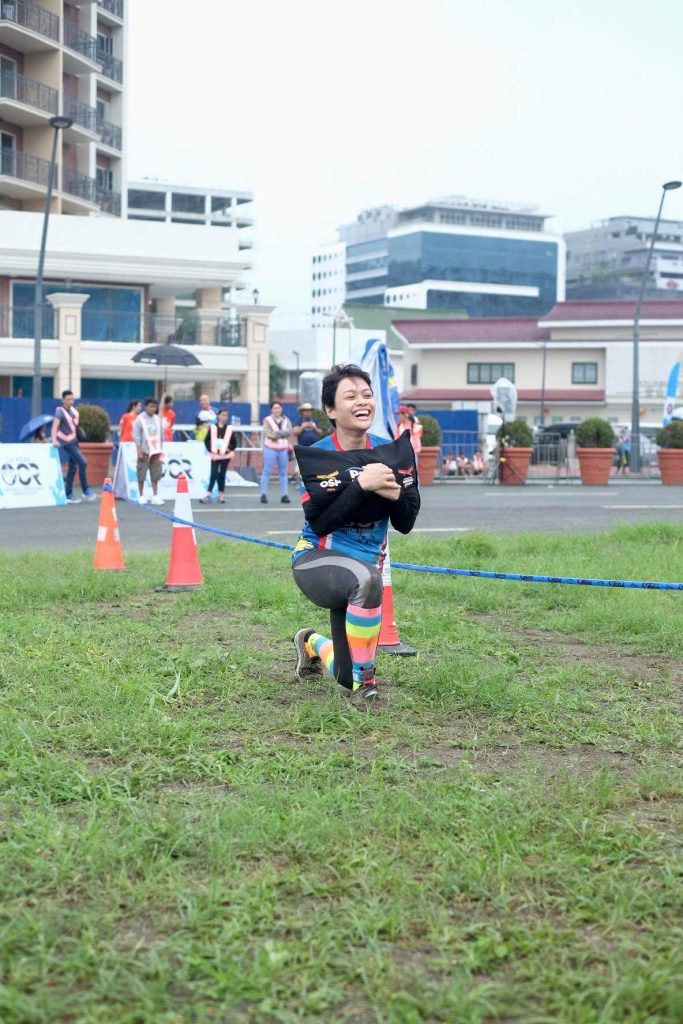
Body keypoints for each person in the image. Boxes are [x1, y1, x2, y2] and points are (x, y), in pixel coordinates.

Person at [291, 364, 420, 705]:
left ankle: (310, 642)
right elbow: (321, 523)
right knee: (366, 579)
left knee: (345, 675)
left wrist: (395, 495)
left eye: (367, 394)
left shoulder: (392, 453)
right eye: (350, 396)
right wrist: (362, 485)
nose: (362, 401)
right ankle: (367, 688)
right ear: (330, 409)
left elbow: (406, 522)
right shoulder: (317, 457)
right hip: (316, 560)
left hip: (364, 576)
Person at [50, 389, 96, 504]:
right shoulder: (60, 411)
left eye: (72, 399)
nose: (71, 401)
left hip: (74, 441)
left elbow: (74, 426)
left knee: (72, 468)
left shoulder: (74, 412)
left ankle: (68, 494)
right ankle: (85, 489)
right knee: (83, 462)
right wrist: (54, 439)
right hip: (66, 443)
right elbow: (55, 426)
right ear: (63, 400)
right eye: (68, 399)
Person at [200, 407, 237, 503]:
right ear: (218, 416)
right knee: (214, 474)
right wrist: (211, 449)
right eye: (222, 415)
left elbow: (234, 443)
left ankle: (221, 496)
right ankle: (208, 494)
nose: (224, 417)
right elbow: (206, 440)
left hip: (225, 456)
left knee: (222, 475)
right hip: (215, 455)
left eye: (226, 415)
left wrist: (229, 449)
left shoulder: (229, 429)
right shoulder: (213, 427)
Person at [260, 400, 292, 504]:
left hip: (283, 449)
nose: (277, 410)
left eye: (278, 408)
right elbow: (269, 434)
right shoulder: (267, 420)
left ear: (281, 409)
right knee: (267, 471)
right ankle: (263, 494)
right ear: (271, 410)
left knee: (283, 472)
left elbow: (289, 432)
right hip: (270, 448)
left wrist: (277, 433)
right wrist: (282, 433)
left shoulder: (286, 419)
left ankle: (284, 495)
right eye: (275, 408)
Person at [134, 397, 165, 505]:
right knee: (141, 473)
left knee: (156, 473)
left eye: (154, 407)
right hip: (144, 450)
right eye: (151, 406)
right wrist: (139, 451)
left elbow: (161, 435)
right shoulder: (140, 419)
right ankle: (141, 495)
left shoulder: (157, 419)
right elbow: (137, 436)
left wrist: (161, 449)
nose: (153, 409)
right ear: (145, 407)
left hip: (156, 451)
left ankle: (155, 495)